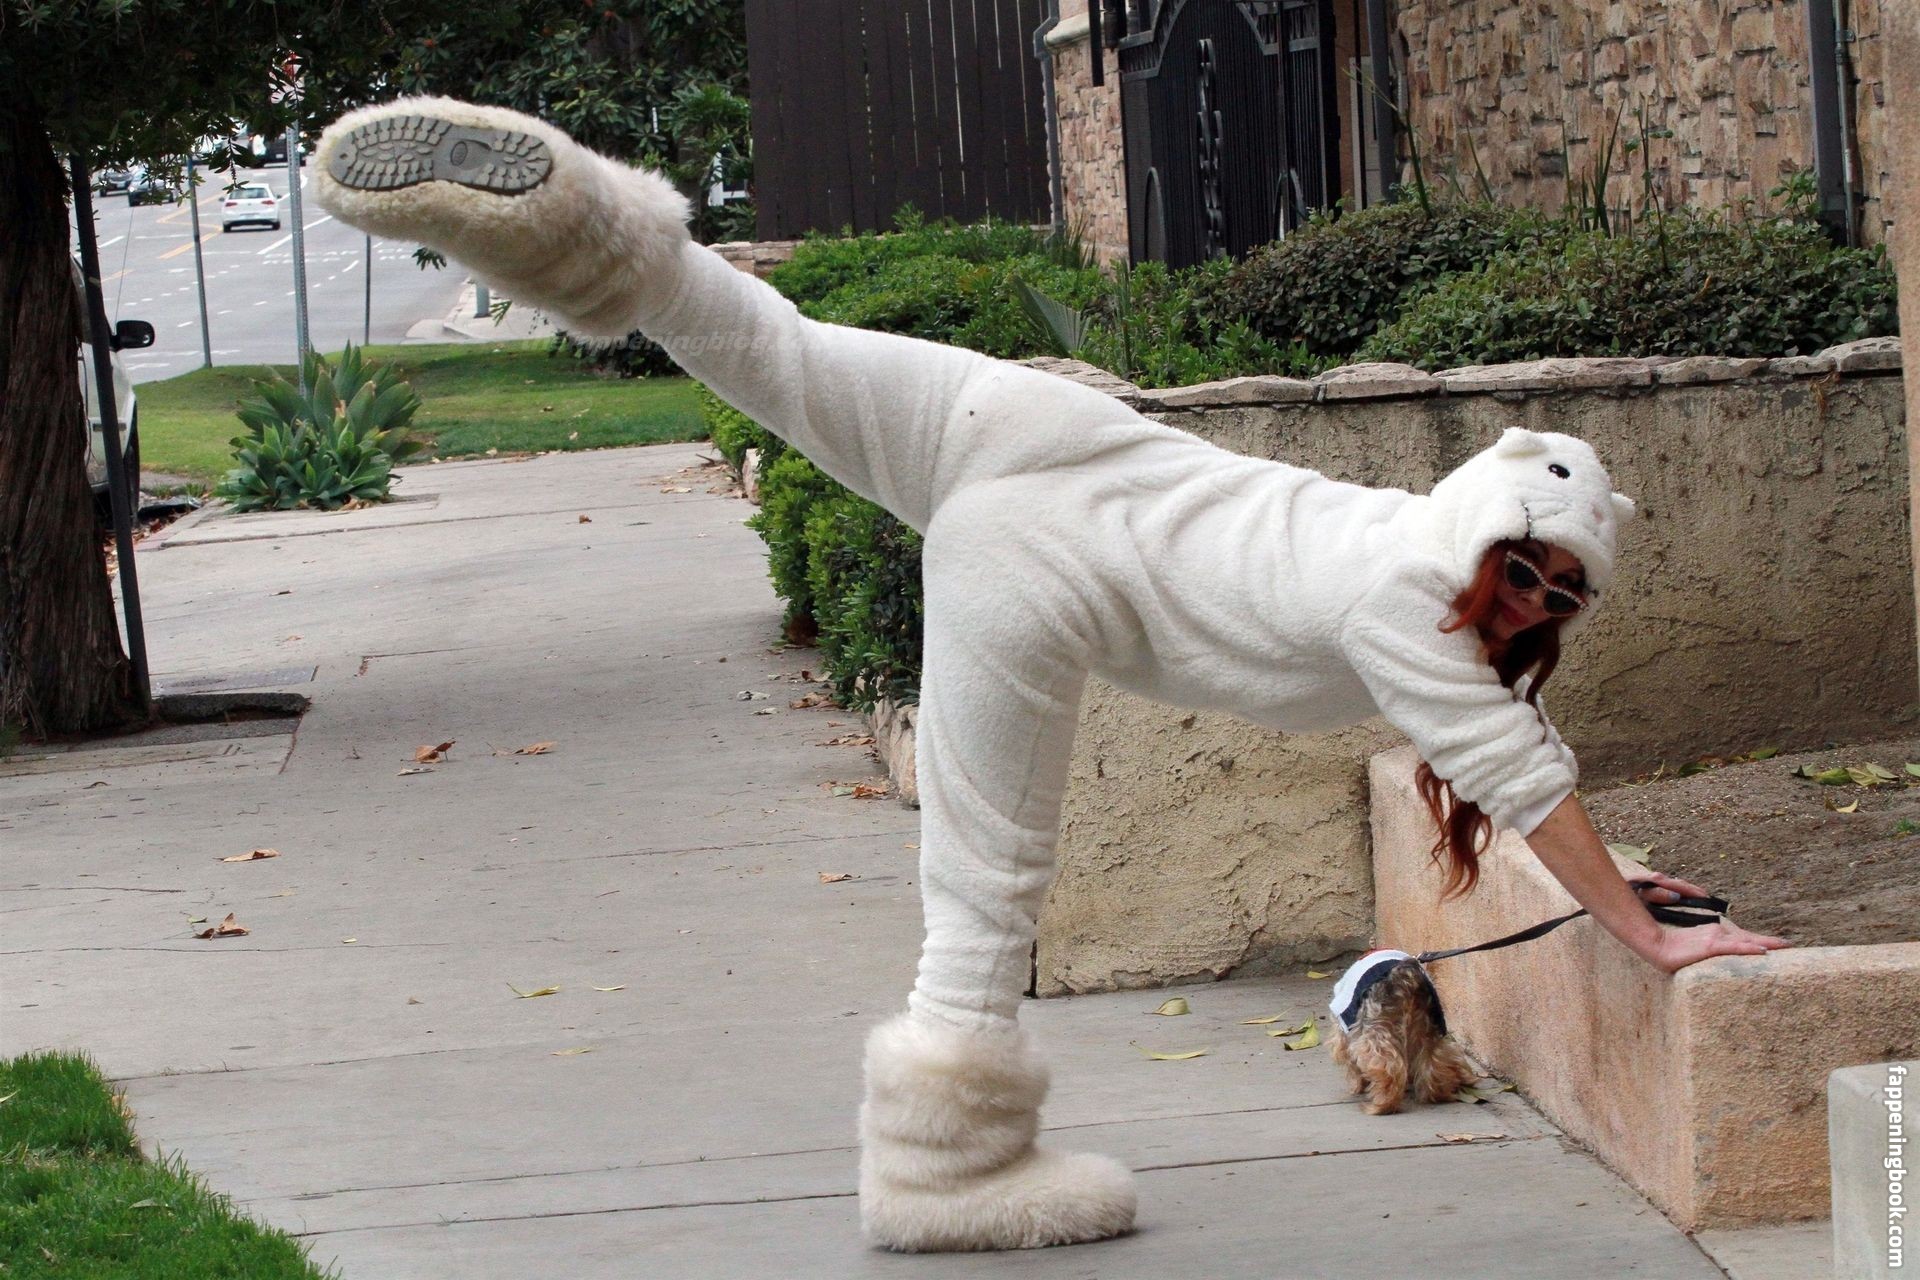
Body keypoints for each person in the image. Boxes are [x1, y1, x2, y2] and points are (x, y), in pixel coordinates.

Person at [309, 98, 1792, 1254]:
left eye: (1557, 594)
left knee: (771, 345)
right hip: (1044, 538)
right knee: (983, 889)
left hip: (1049, 448)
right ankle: (944, 1178)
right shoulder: (1409, 594)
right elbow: (1515, 773)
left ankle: (572, 225)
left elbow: (1510, 748)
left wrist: (1621, 882)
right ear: (1478, 536)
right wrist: (1645, 937)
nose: (1530, 599)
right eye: (1522, 567)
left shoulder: (1405, 546)